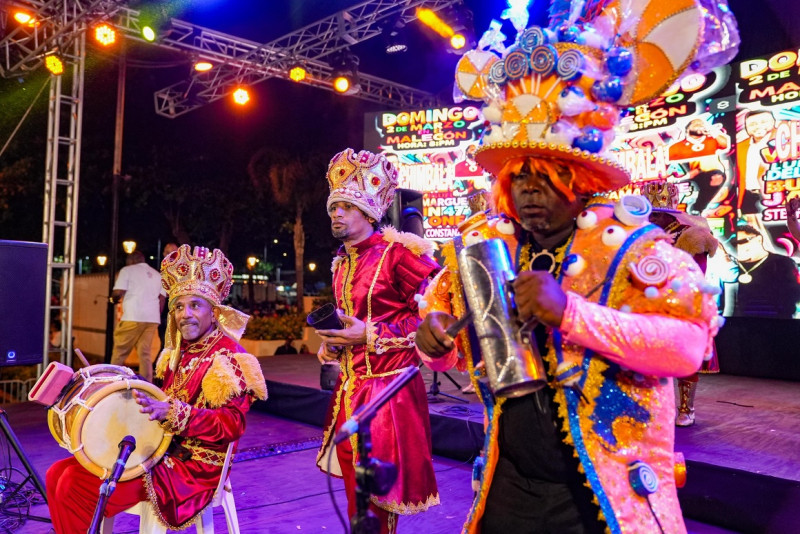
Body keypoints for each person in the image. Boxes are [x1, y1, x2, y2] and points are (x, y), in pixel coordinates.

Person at [416, 2, 731, 529]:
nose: (530, 191)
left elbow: (687, 348)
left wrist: (570, 313)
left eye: (546, 176)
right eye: (519, 177)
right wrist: (436, 343)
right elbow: (445, 342)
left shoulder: (635, 247)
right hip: (508, 483)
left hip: (604, 492)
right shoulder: (485, 246)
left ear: (579, 179)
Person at [46, 245, 267, 533]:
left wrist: (176, 412)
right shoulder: (176, 353)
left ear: (214, 313)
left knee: (73, 485)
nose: (184, 314)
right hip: (160, 452)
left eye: (194, 305)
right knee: (56, 473)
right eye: (177, 307)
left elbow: (232, 425)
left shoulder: (231, 359)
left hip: (192, 470)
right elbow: (159, 402)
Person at [313, 148, 440, 533]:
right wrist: (334, 343)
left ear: (368, 213)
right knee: (358, 501)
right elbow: (353, 323)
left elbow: (438, 316)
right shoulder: (342, 261)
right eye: (333, 205)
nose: (335, 213)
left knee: (378, 495)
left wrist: (368, 334)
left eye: (345, 206)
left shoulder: (401, 254)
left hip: (390, 394)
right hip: (350, 390)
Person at [641, 181, 721, 426]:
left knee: (685, 357)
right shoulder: (638, 230)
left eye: (659, 215)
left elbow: (695, 272)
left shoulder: (693, 233)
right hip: (645, 303)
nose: (655, 218)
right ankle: (652, 407)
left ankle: (686, 408)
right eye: (652, 214)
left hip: (681, 303)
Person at [110, 250, 166, 382]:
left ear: (131, 260)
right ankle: (146, 384)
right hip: (152, 319)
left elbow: (118, 292)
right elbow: (162, 298)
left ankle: (110, 381)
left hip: (133, 317)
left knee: (120, 351)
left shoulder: (127, 270)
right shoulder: (158, 275)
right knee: (145, 354)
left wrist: (113, 299)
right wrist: (155, 314)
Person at [731, 224, 800, 318]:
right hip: (740, 326)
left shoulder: (783, 262)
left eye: (742, 241)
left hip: (777, 324)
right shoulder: (731, 266)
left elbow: (794, 295)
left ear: (759, 239)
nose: (739, 247)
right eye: (735, 243)